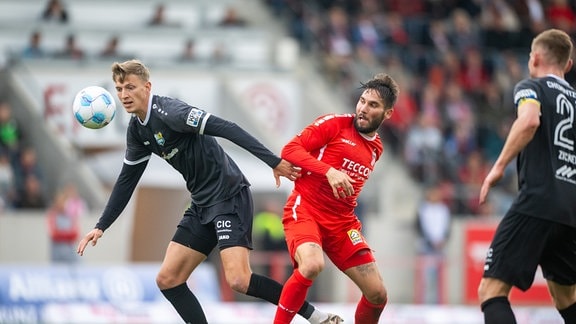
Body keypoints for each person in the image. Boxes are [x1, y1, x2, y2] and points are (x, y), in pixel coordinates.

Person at [76, 59, 339, 324]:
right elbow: (126, 180)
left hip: (229, 195)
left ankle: (315, 316)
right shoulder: (137, 131)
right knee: (168, 279)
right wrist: (102, 225)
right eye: (119, 89)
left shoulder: (172, 112)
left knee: (239, 280)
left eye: (130, 87)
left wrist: (274, 161)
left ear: (147, 87)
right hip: (201, 203)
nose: (123, 95)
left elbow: (228, 128)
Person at [273, 73, 399, 324]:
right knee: (311, 265)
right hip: (306, 209)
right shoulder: (335, 124)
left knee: (377, 294)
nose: (363, 109)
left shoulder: (377, 149)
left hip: (342, 224)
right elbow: (290, 150)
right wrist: (328, 171)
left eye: (373, 105)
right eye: (362, 101)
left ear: (388, 114)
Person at [478, 28, 576, 324]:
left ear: (534, 58)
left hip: (538, 200)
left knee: (491, 291)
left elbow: (529, 120)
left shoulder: (530, 87)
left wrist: (498, 167)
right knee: (566, 299)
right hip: (571, 210)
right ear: (568, 65)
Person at [415, 183, 451, 304]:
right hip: (426, 248)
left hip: (440, 248)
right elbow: (419, 228)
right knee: (425, 279)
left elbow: (447, 229)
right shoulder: (423, 209)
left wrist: (443, 240)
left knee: (440, 279)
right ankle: (424, 304)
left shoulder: (444, 210)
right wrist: (431, 242)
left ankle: (438, 304)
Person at [47, 183, 86, 263]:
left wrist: (61, 235)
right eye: (58, 201)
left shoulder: (71, 216)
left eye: (63, 201)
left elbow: (75, 234)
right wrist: (68, 235)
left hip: (70, 254)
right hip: (57, 254)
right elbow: (53, 234)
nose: (61, 204)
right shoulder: (52, 215)